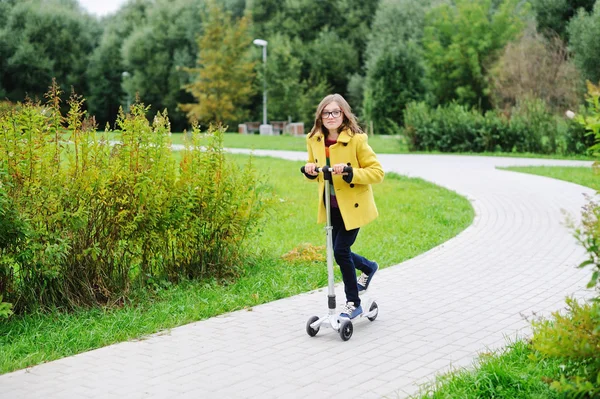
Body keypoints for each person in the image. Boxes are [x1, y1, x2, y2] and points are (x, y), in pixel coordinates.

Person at [303, 94, 384, 320]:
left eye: (335, 112)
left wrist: (350, 172)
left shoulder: (357, 139)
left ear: (344, 114)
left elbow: (377, 173)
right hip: (331, 207)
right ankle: (368, 267)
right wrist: (310, 170)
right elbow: (317, 171)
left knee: (339, 251)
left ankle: (353, 303)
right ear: (320, 116)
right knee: (338, 251)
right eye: (326, 113)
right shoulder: (314, 139)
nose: (330, 117)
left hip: (353, 206)